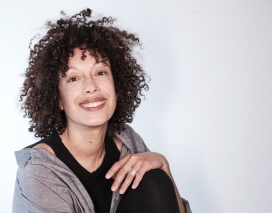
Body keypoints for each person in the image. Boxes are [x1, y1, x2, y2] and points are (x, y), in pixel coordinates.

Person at [13, 8, 191, 213]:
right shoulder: (39, 171)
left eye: (100, 72)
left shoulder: (128, 141)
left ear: (116, 86)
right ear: (57, 99)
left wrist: (164, 167)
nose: (91, 86)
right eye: (73, 78)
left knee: (154, 178)